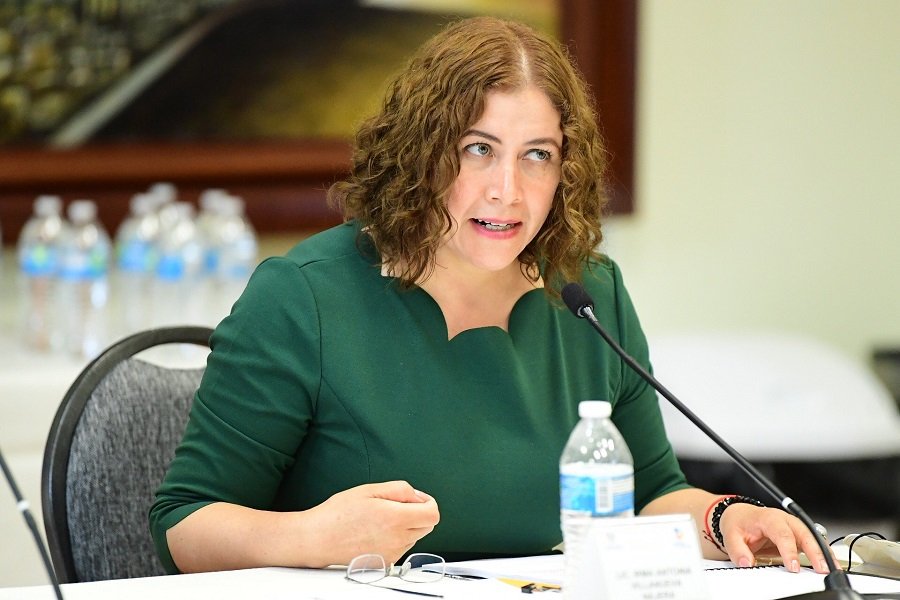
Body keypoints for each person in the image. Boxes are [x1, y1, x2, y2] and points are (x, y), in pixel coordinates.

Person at [150, 15, 830, 575]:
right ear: (422, 152)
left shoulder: (587, 294)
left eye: (537, 155)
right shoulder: (304, 297)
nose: (508, 190)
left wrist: (724, 517)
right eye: (479, 149)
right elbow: (183, 523)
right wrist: (312, 536)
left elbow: (649, 495)